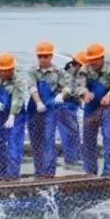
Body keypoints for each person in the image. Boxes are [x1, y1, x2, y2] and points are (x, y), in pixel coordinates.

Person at [79, 42, 110, 177]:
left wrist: (109, 95)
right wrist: (84, 93)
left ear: (102, 57)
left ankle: (108, 172)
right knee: (88, 139)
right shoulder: (84, 69)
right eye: (90, 59)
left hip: (109, 107)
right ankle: (90, 171)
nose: (92, 62)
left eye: (95, 59)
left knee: (109, 138)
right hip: (91, 107)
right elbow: (79, 85)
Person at [26, 41, 65, 179]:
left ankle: (49, 172)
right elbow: (32, 87)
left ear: (51, 56)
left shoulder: (58, 71)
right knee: (35, 139)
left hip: (50, 109)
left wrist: (62, 94)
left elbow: (67, 87)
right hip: (34, 108)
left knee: (48, 138)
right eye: (40, 56)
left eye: (45, 56)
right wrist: (38, 102)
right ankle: (39, 171)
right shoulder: (32, 71)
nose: (42, 59)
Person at [0, 52, 27, 181]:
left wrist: (12, 115)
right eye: (1, 71)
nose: (3, 73)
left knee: (14, 143)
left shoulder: (18, 81)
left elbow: (17, 99)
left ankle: (13, 175)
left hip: (16, 115)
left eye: (6, 71)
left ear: (12, 69)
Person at [54, 50, 87, 169]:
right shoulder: (68, 74)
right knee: (70, 133)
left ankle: (75, 157)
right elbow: (70, 91)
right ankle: (71, 160)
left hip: (71, 106)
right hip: (64, 106)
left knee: (74, 132)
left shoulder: (75, 72)